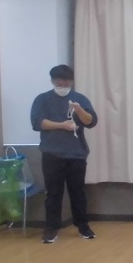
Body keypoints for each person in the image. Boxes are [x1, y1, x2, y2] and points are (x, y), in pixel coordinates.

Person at [30, 65, 98, 244]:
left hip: (77, 154)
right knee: (53, 193)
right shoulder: (42, 99)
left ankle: (83, 226)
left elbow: (91, 122)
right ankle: (51, 229)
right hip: (51, 153)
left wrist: (79, 110)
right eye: (59, 83)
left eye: (66, 83)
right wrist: (62, 125)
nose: (62, 86)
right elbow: (37, 123)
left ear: (71, 82)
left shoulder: (79, 99)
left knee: (78, 193)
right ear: (52, 81)